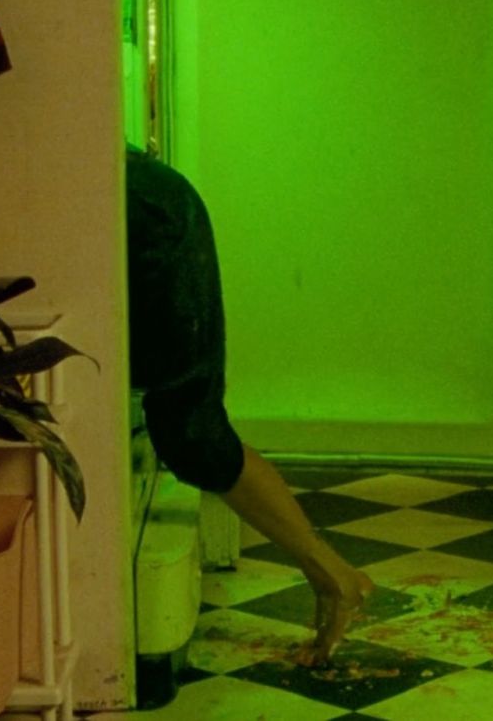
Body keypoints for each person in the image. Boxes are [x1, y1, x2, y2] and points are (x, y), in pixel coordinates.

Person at [125, 148, 373, 665]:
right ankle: (333, 575)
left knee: (193, 433)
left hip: (148, 210)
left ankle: (334, 575)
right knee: (191, 431)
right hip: (145, 202)